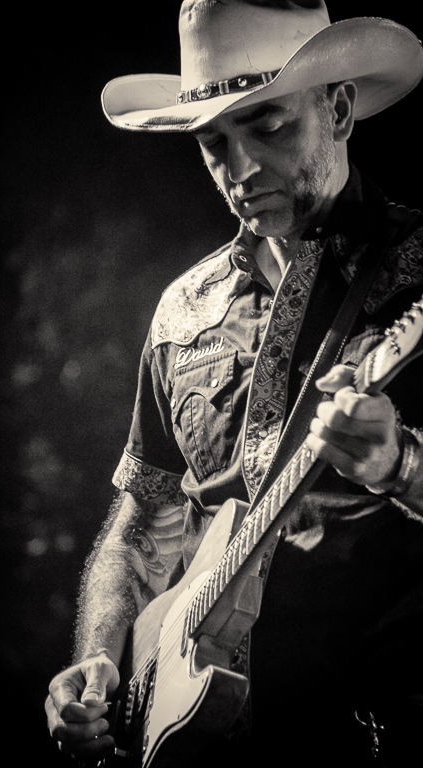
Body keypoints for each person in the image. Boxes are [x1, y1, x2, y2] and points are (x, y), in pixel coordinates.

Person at [46, 2, 423, 765]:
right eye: (212, 141)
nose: (239, 168)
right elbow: (143, 524)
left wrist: (402, 466)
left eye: (268, 125)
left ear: (338, 108)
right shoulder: (183, 310)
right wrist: (100, 660)